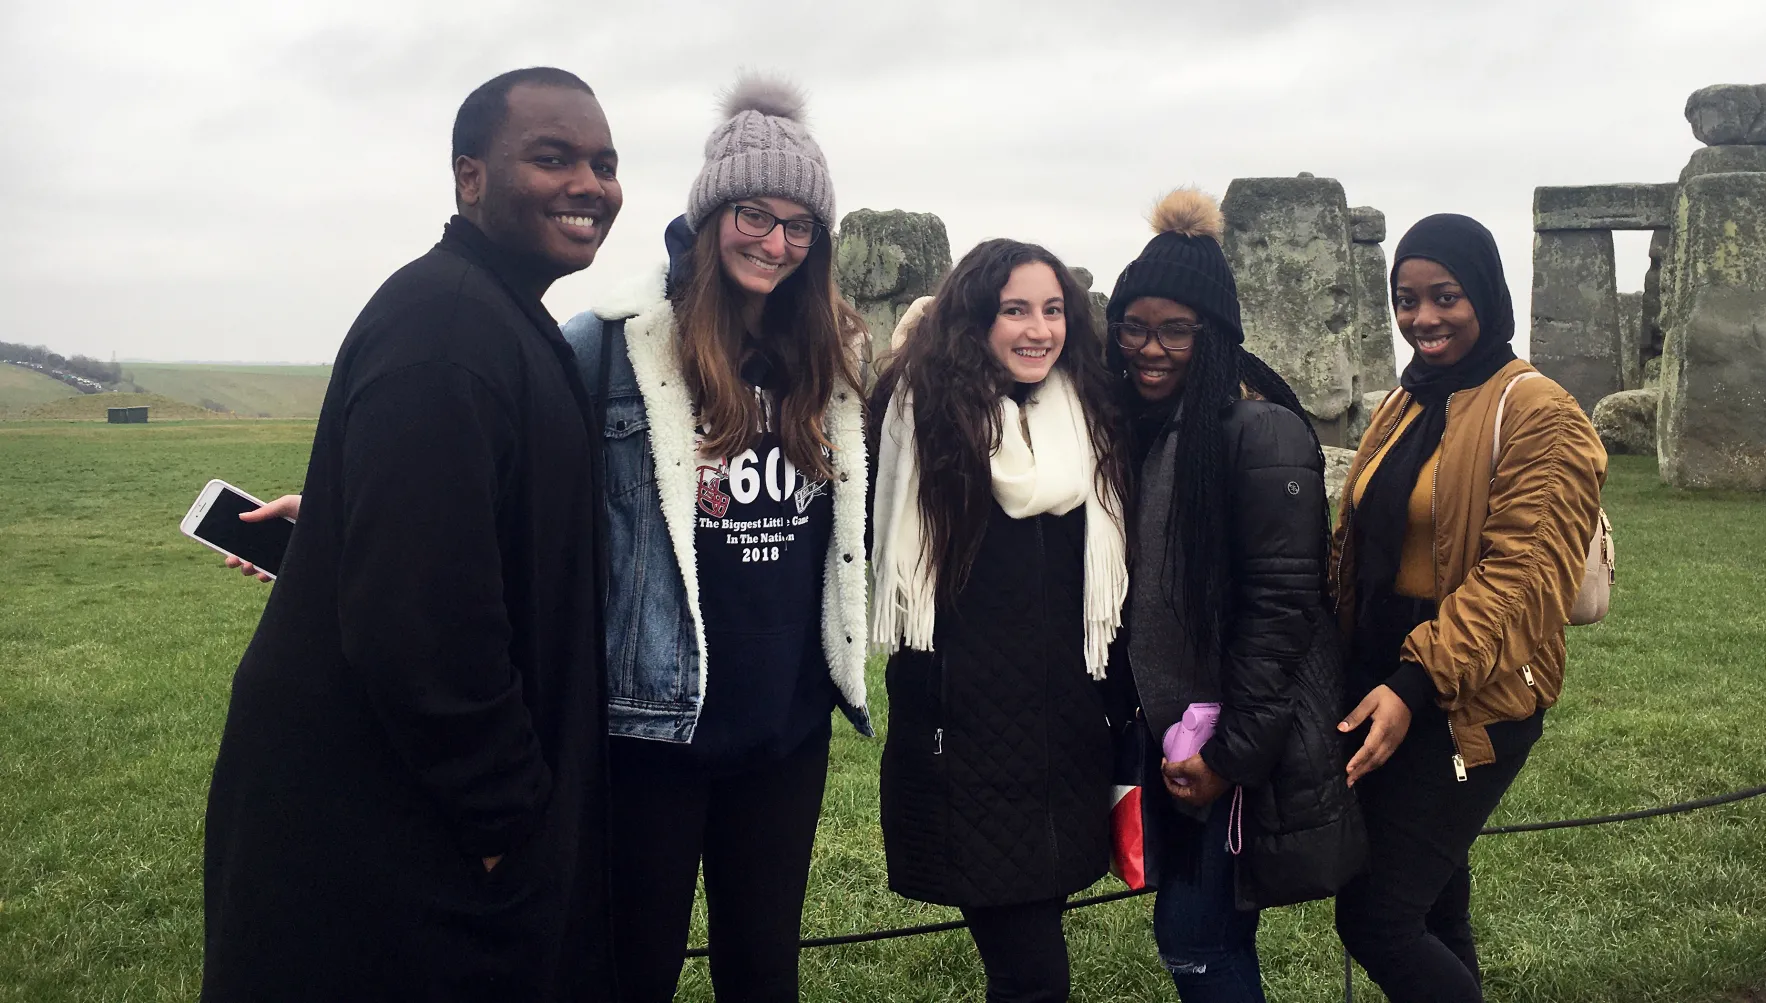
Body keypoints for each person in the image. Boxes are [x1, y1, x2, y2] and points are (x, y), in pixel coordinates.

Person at [201, 67, 621, 1002]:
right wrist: (506, 822)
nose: (589, 185)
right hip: (398, 838)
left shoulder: (493, 311)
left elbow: (466, 523)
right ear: (470, 175)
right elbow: (422, 626)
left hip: (421, 822)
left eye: (603, 162)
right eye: (552, 158)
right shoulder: (447, 325)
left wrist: (358, 521)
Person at [557, 76, 871, 1003]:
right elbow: (510, 472)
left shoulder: (832, 358)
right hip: (656, 723)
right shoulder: (611, 346)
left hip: (785, 722)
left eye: (798, 225)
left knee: (764, 968)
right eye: (754, 214)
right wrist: (344, 508)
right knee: (632, 967)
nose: (776, 242)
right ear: (710, 212)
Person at [1329, 214, 1607, 1002]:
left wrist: (1413, 684)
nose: (1424, 318)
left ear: (1485, 293)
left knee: (1378, 916)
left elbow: (1520, 581)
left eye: (1445, 296)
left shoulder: (1539, 412)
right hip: (1379, 681)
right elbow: (1355, 540)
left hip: (1465, 699)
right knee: (1434, 905)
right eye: (1406, 300)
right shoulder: (1408, 400)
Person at [1101, 188, 1364, 1001]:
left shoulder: (1260, 434)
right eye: (1135, 326)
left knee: (1199, 936)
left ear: (1212, 333)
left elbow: (1282, 614)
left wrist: (1230, 757)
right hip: (1171, 731)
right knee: (1193, 931)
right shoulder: (1140, 428)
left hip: (1230, 740)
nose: (1150, 348)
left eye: (1174, 329)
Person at [870, 237, 1127, 1003]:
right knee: (1033, 975)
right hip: (968, 745)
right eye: (1014, 309)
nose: (1038, 329)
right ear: (976, 319)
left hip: (1064, 738)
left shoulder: (1090, 421)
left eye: (1052, 310)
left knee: (1029, 968)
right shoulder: (925, 417)